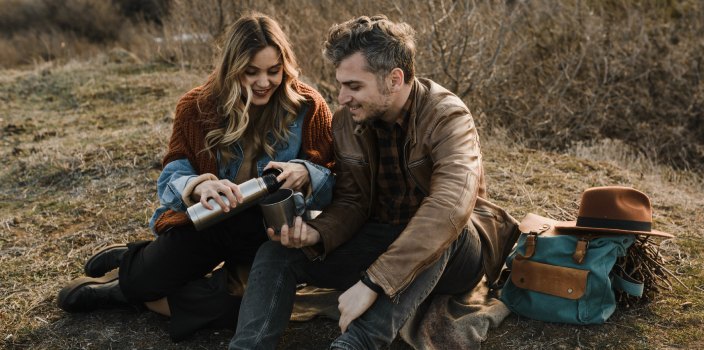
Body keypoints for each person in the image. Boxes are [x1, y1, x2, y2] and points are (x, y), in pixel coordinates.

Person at [230, 15, 518, 349]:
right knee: (276, 252)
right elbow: (352, 201)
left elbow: (449, 208)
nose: (341, 97)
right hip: (381, 238)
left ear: (394, 79)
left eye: (354, 86)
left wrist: (373, 283)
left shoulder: (448, 116)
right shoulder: (346, 122)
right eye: (341, 85)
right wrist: (318, 233)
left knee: (444, 228)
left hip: (458, 254)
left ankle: (354, 344)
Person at [56, 12, 335, 341]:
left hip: (267, 235)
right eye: (251, 72)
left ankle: (131, 290)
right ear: (232, 68)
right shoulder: (196, 106)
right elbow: (174, 170)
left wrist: (306, 172)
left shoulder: (308, 106)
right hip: (210, 221)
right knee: (146, 280)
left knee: (249, 309)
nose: (264, 82)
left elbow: (335, 177)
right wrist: (199, 185)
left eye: (274, 71)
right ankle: (133, 277)